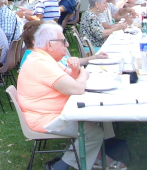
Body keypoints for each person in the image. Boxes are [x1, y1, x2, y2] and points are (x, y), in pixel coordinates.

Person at [17, 23, 114, 170]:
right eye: (63, 41)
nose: (67, 44)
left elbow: (72, 80)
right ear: (50, 45)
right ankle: (61, 166)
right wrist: (83, 72)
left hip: (54, 113)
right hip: (46, 119)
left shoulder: (45, 58)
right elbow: (77, 87)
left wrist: (76, 70)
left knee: (100, 117)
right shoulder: (40, 62)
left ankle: (96, 156)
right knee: (94, 133)